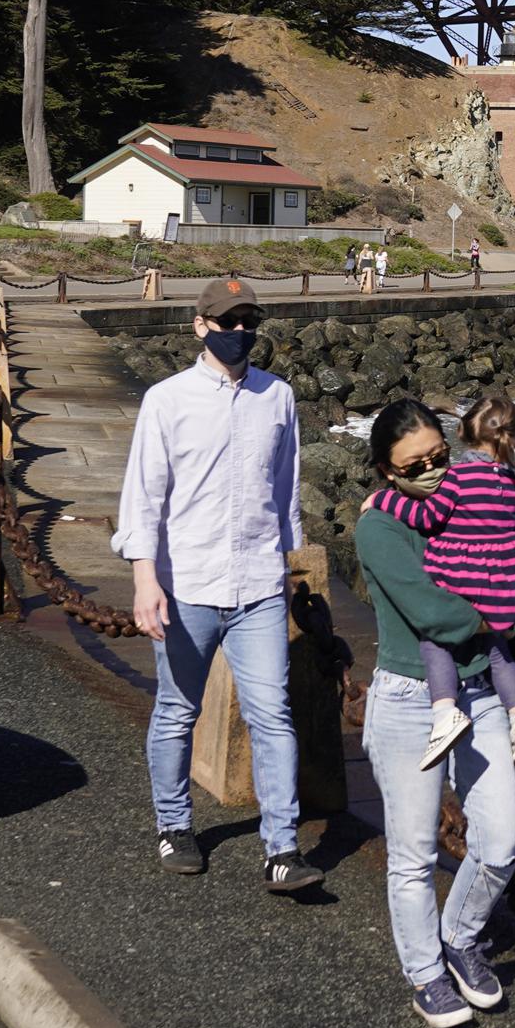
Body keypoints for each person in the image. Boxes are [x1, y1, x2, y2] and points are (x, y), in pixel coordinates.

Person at [112, 276, 318, 892]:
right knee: (178, 710)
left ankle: (282, 849)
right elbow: (143, 497)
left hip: (258, 583)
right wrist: (144, 579)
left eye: (247, 322)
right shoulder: (166, 401)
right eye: (226, 322)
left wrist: (290, 564)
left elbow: (285, 490)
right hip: (187, 583)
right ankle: (174, 827)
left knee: (273, 716)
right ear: (200, 326)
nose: (238, 333)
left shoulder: (277, 397)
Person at [355, 398, 515, 1028]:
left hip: (479, 692)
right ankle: (425, 973)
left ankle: (461, 934)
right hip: (406, 699)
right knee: (414, 853)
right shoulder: (379, 528)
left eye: (439, 457)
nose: (432, 469)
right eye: (414, 465)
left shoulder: (466, 500)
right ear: (386, 470)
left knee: (501, 839)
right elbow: (432, 610)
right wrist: (495, 612)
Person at [384, 392, 515, 768]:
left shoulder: (456, 478)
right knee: (499, 652)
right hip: (502, 583)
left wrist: (383, 502)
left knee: (435, 642)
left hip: (459, 577)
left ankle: (445, 713)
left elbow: (427, 518)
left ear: (463, 435)